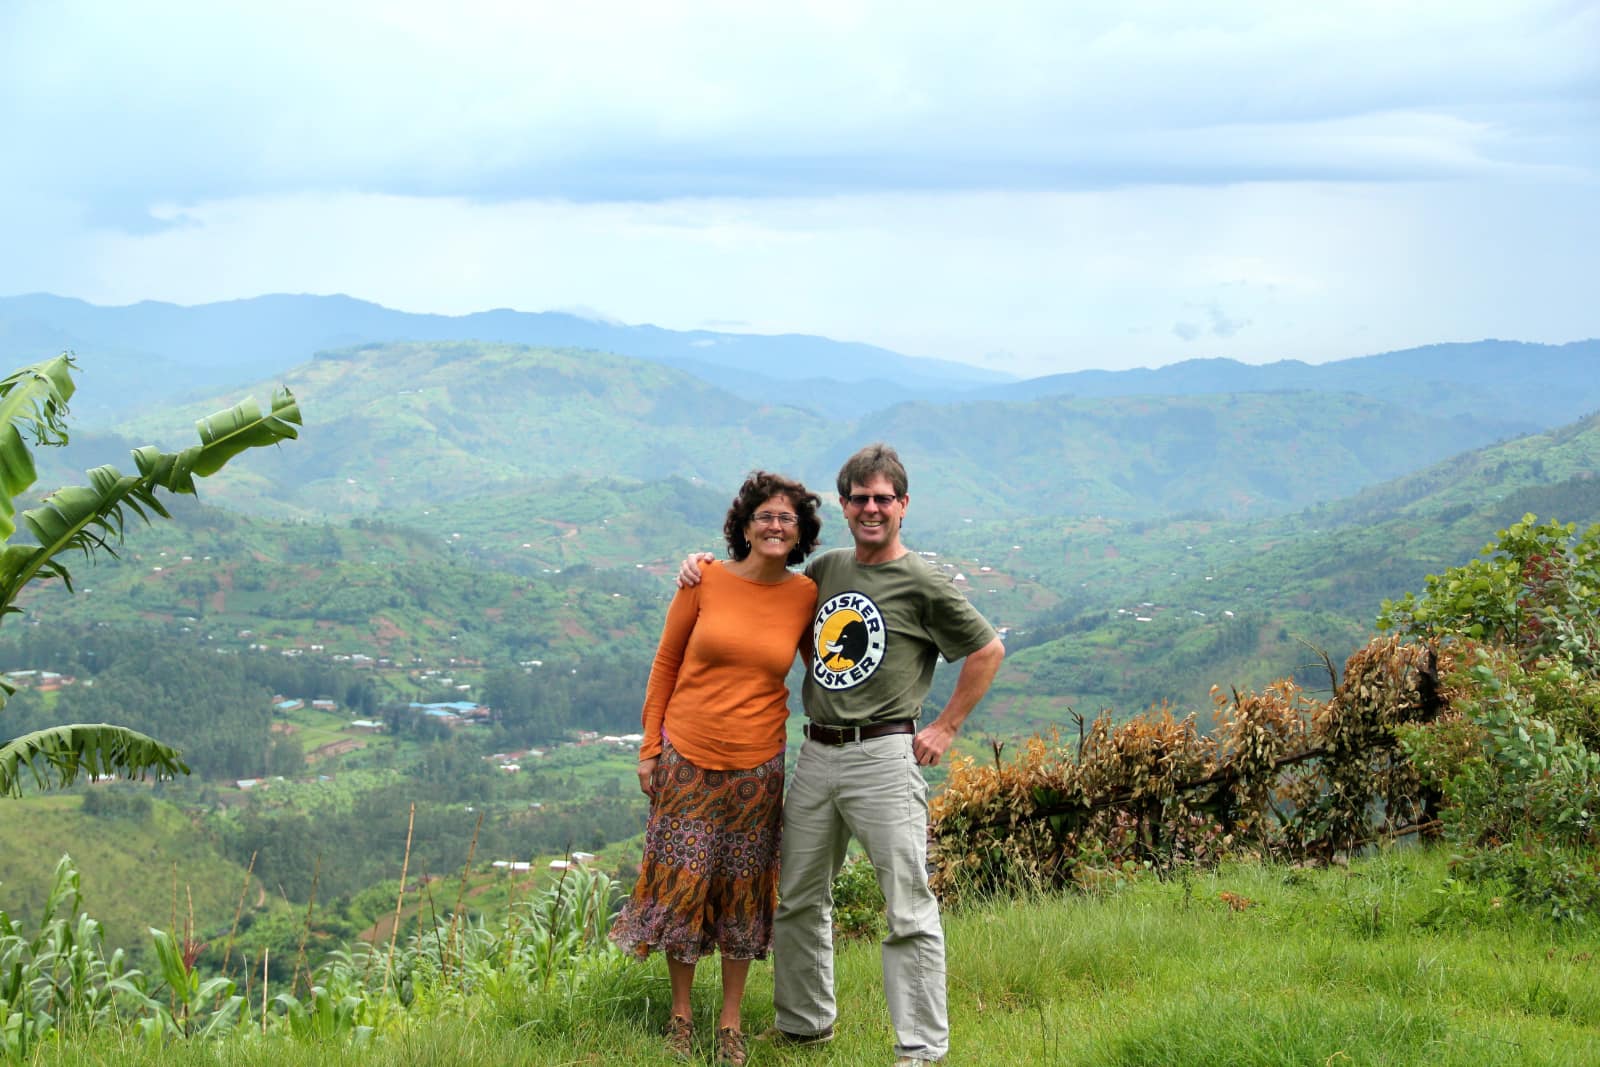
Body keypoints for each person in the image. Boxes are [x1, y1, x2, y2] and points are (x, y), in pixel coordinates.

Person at [679, 443, 1005, 1065]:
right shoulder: (826, 570)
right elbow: (764, 592)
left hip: (883, 754)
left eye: (884, 498)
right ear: (845, 505)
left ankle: (921, 1048)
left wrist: (946, 728)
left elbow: (986, 651)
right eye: (860, 499)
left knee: (906, 907)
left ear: (904, 506)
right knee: (799, 896)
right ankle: (804, 1025)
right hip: (817, 752)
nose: (872, 509)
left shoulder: (923, 581)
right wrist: (699, 565)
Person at [611, 470, 822, 1065]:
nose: (776, 526)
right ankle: (681, 1016)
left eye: (788, 518)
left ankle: (729, 1021)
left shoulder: (805, 596)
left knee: (741, 891)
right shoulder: (703, 578)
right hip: (687, 758)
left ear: (801, 531)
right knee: (684, 883)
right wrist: (649, 746)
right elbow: (666, 663)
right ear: (745, 526)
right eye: (766, 516)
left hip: (758, 767)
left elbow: (826, 667)